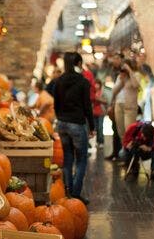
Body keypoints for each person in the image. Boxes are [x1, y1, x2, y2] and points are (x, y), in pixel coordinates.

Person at [54, 52, 95, 204]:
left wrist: (60, 118)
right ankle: (76, 194)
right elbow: (87, 106)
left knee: (68, 160)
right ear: (78, 63)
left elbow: (56, 104)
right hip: (77, 124)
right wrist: (92, 126)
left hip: (62, 124)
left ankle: (67, 192)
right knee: (81, 159)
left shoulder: (59, 81)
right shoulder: (83, 82)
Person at [111, 59, 140, 142]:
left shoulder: (135, 75)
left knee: (129, 131)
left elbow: (136, 85)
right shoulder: (120, 76)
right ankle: (125, 151)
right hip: (118, 105)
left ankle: (130, 152)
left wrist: (130, 71)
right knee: (121, 132)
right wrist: (121, 81)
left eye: (125, 67)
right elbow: (114, 91)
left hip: (130, 106)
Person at [105, 53, 125, 161]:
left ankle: (122, 153)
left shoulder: (124, 72)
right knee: (115, 129)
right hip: (116, 103)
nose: (114, 61)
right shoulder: (113, 71)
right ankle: (115, 153)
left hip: (123, 104)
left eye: (117, 59)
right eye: (114, 58)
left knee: (121, 130)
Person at [93, 79, 107, 149]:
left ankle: (101, 142)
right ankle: (97, 142)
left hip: (101, 112)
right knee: (95, 128)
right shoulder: (92, 92)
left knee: (100, 127)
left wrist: (99, 99)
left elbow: (106, 101)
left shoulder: (102, 92)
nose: (96, 86)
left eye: (97, 84)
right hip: (94, 112)